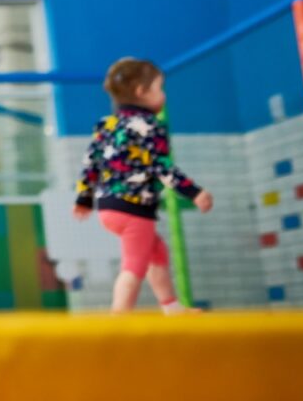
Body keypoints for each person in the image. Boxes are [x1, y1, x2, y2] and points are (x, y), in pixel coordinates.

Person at [73, 57, 213, 313]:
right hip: (133, 209)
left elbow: (90, 162)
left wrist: (84, 198)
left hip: (108, 207)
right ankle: (119, 318)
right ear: (141, 92)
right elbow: (161, 167)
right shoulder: (152, 126)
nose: (163, 96)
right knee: (134, 267)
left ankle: (171, 307)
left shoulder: (107, 124)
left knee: (157, 254)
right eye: (159, 88)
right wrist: (193, 192)